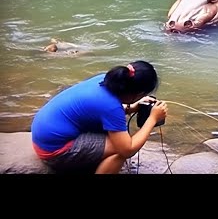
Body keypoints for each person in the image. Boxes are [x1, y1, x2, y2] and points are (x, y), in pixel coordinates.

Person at [31, 60, 168, 174]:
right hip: (53, 150)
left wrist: (132, 108)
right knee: (120, 151)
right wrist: (152, 119)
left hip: (43, 136)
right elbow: (128, 149)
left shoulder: (104, 79)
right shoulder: (111, 107)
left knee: (117, 140)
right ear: (138, 93)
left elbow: (99, 108)